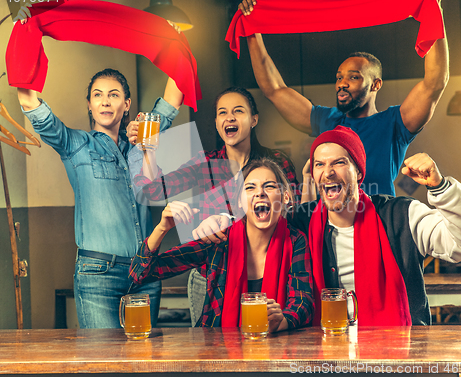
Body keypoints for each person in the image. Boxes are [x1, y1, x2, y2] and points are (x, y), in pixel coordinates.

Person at [193, 126, 461, 326]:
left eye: (339, 162)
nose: (327, 172)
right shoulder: (301, 220)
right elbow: (258, 226)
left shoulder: (402, 215)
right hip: (324, 354)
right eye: (319, 164)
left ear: (358, 171)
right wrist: (222, 221)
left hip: (403, 354)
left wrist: (440, 186)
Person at [238, 0, 449, 196]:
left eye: (353, 77)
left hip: (381, 222)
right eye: (339, 77)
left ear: (376, 85)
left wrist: (433, 11)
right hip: (336, 226)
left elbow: (435, 82)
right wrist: (252, 28)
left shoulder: (394, 123)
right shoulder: (327, 120)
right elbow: (274, 89)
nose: (342, 83)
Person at [17, 68, 184, 328]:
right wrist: (25, 40)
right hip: (98, 275)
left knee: (144, 363)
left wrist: (177, 40)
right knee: (104, 364)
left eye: (114, 95)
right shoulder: (76, 144)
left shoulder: (143, 140)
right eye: (98, 95)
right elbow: (30, 103)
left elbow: (173, 99)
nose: (105, 101)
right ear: (90, 104)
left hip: (145, 274)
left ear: (126, 104)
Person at [127, 86, 301, 325]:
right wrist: (148, 149)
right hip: (211, 273)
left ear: (254, 120)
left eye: (238, 111)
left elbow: (293, 215)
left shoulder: (275, 163)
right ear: (218, 123)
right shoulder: (206, 163)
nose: (229, 117)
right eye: (222, 112)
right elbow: (154, 190)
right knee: (212, 345)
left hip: (265, 271)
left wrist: (228, 220)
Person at [129, 158, 314, 330]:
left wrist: (280, 321)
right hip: (218, 348)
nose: (260, 193)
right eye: (250, 188)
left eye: (270, 186)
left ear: (285, 197)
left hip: (275, 348)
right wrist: (162, 228)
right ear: (239, 202)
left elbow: (303, 301)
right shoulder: (219, 238)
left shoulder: (296, 240)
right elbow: (140, 273)